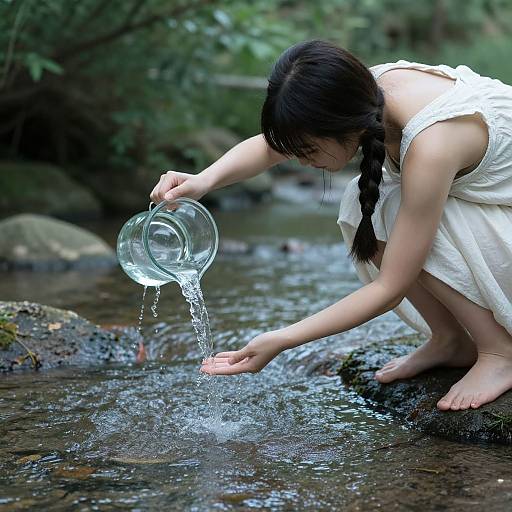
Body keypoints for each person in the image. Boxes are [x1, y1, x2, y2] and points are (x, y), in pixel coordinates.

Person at [150, 40, 512, 411]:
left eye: (307, 150)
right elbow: (270, 147)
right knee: (365, 202)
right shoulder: (360, 98)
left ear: (339, 127)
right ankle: (451, 339)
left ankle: (499, 352)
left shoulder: (432, 142)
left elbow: (391, 286)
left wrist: (282, 338)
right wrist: (204, 180)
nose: (300, 161)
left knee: (392, 205)